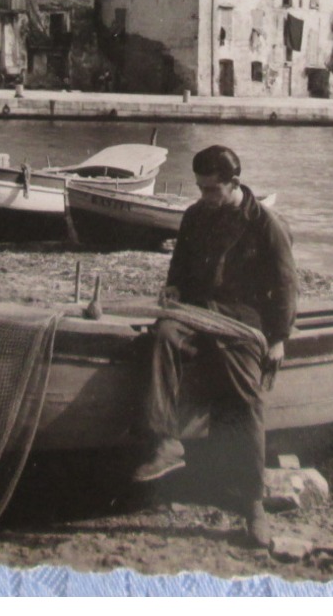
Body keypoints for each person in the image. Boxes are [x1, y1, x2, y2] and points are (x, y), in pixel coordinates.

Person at [131, 145, 297, 549]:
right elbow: (181, 268)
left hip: (242, 321)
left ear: (234, 185)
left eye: (212, 190)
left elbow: (287, 286)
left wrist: (278, 339)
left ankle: (253, 506)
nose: (204, 197)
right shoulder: (195, 216)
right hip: (195, 312)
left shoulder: (266, 224)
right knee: (161, 338)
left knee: (247, 400)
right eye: (201, 188)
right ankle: (166, 442)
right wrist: (173, 289)